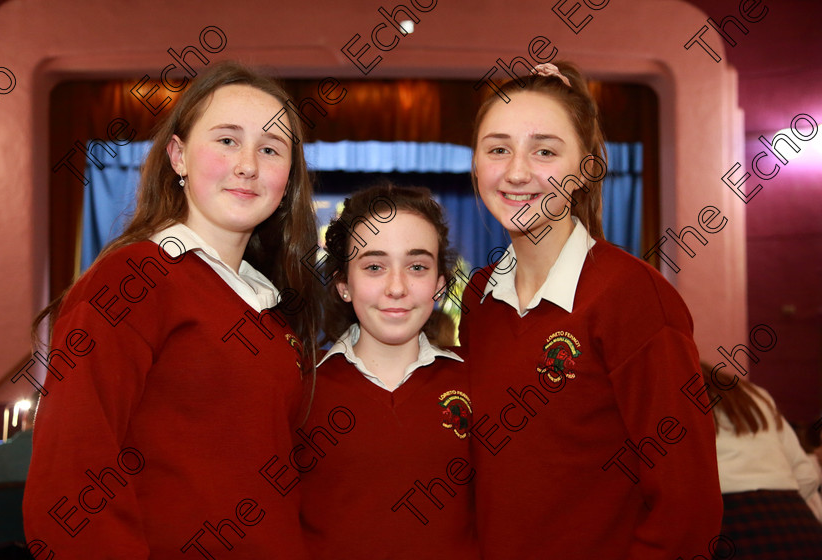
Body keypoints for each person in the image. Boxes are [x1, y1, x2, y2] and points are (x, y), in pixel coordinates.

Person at [23, 61, 320, 559]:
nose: (248, 164)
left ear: (288, 179)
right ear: (178, 156)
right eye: (227, 140)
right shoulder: (132, 280)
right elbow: (70, 483)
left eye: (270, 149)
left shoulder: (271, 310)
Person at [458, 61, 722, 559]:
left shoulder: (632, 295)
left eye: (545, 151)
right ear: (475, 164)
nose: (516, 171)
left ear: (585, 169)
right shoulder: (480, 297)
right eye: (498, 149)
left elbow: (687, 506)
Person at [299, 184, 478, 559]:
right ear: (344, 284)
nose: (396, 288)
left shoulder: (478, 381)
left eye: (417, 267)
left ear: (440, 284)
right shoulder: (302, 386)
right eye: (375, 267)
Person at [706, 365, 822, 556]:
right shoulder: (751, 393)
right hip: (798, 526)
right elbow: (807, 475)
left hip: (725, 524)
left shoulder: (666, 395)